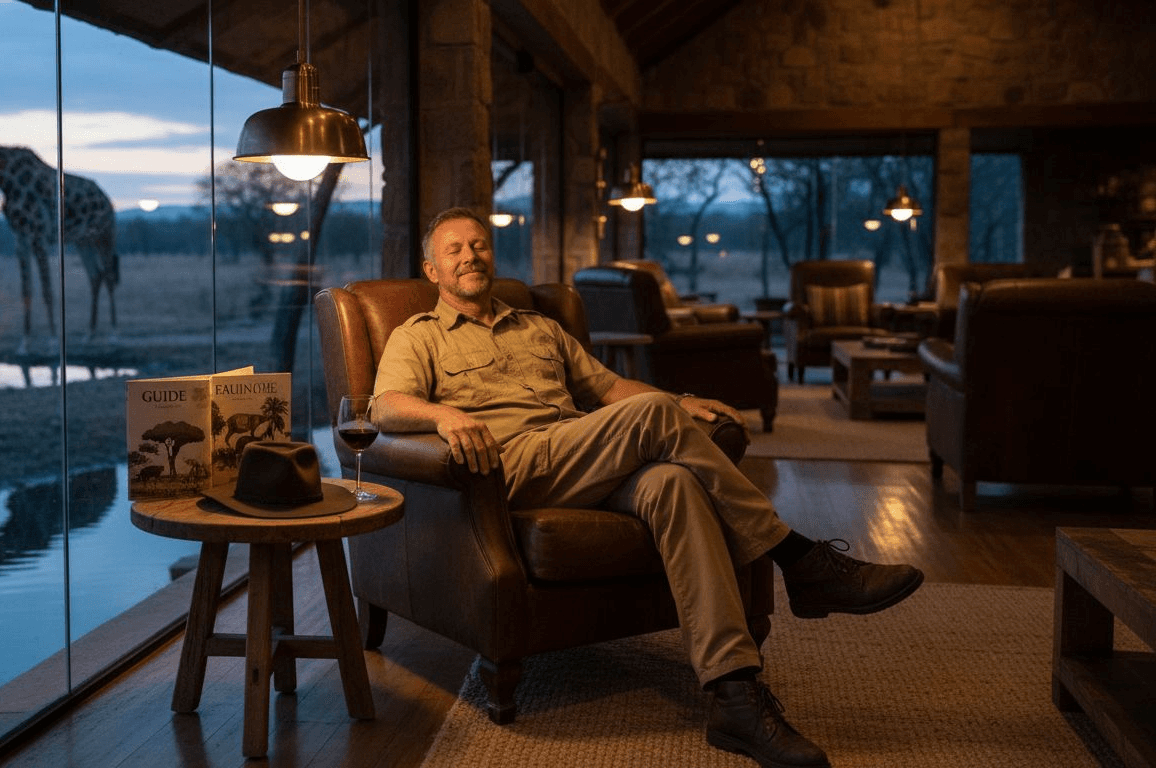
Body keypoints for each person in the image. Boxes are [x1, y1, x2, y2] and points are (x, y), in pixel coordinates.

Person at [372, 207, 923, 768]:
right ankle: (799, 558)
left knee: (674, 484)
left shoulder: (540, 327)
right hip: (509, 469)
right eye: (454, 250)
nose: (470, 256)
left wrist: (679, 403)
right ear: (432, 269)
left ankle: (734, 695)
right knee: (653, 417)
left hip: (577, 454)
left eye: (479, 244)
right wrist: (444, 416)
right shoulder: (418, 337)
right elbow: (384, 405)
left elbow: (610, 388)